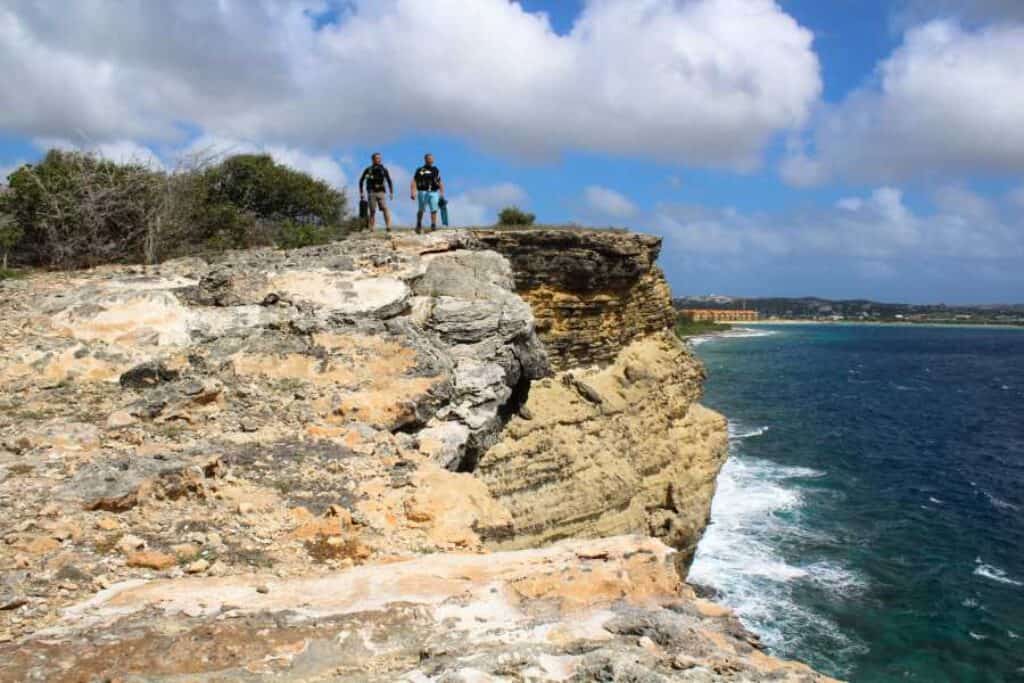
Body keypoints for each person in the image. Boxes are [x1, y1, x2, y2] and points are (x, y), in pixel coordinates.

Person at [359, 153, 394, 232]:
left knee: (385, 208)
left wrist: (391, 192)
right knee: (372, 210)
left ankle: (388, 226)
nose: (378, 160)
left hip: (381, 191)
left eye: (379, 158)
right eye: (377, 158)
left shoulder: (383, 169)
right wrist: (361, 192)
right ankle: (371, 228)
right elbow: (361, 180)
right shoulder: (368, 169)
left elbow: (389, 180)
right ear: (373, 159)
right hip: (371, 192)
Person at [410, 153, 444, 233]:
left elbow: (439, 181)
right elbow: (414, 181)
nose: (430, 160)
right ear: (425, 160)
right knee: (421, 209)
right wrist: (413, 192)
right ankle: (419, 224)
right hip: (423, 191)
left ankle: (433, 225)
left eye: (432, 159)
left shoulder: (435, 170)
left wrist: (442, 192)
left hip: (434, 192)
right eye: (429, 159)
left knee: (434, 209)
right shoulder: (421, 170)